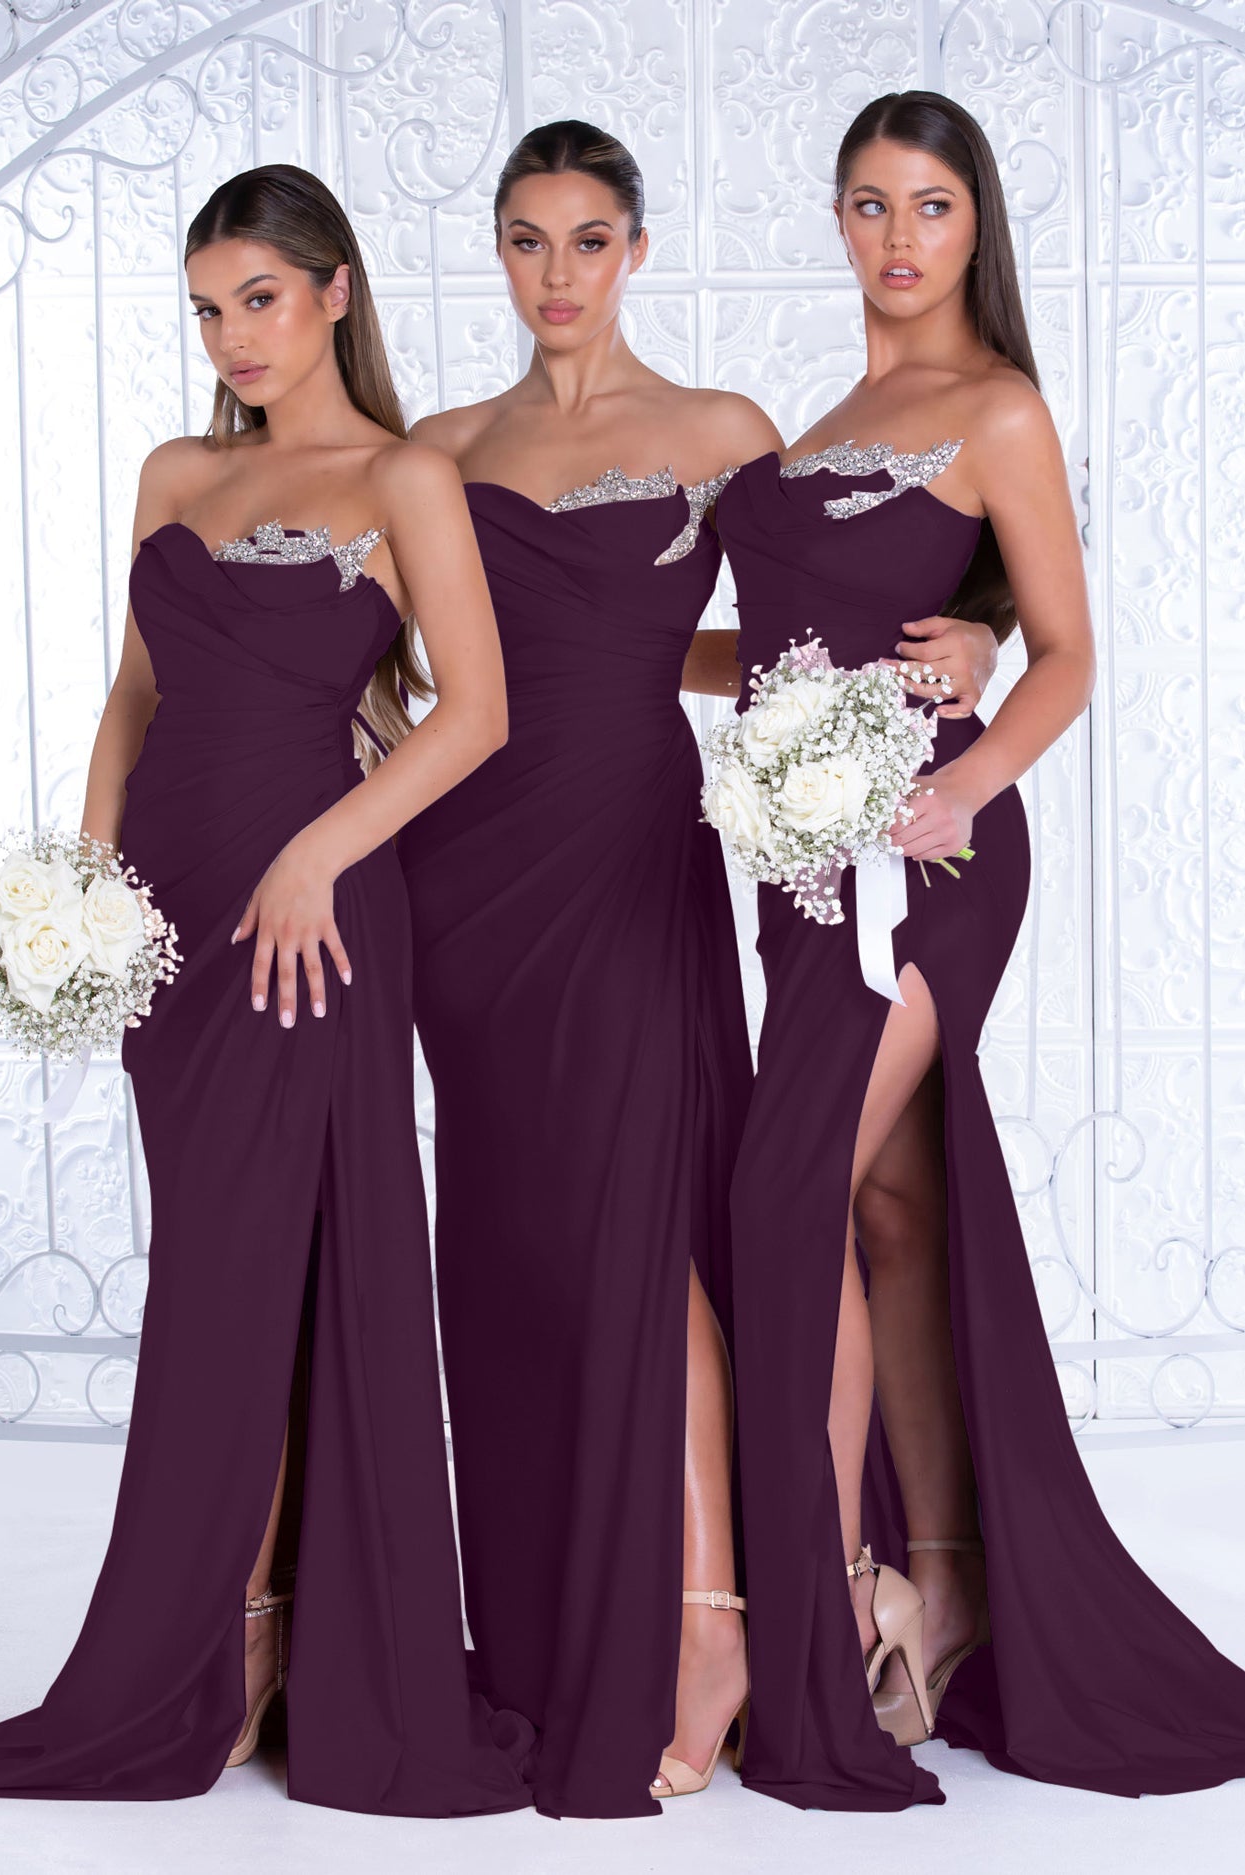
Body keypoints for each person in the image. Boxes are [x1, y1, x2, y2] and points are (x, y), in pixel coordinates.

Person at [399, 117, 996, 1817]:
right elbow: (374, 649)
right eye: (528, 241)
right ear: (496, 252)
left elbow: (818, 605)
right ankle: (575, 1619)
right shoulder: (438, 449)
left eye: (589, 240)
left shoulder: (722, 434)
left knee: (641, 1226)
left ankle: (716, 1618)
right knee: (527, 1238)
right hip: (466, 878)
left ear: (637, 251)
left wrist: (983, 632)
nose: (558, 274)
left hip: (628, 857)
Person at [717, 88, 1245, 1810]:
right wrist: (596, 653)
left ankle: (831, 1603)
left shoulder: (993, 406)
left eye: (928, 206)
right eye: (868, 204)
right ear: (838, 220)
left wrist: (967, 773)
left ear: (973, 225)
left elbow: (1069, 650)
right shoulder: (825, 421)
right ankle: (936, 1594)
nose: (895, 237)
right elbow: (780, 646)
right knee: (884, 1208)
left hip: (928, 857)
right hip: (798, 861)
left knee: (784, 1193)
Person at [0, 163, 529, 1818]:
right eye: (210, 309)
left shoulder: (402, 476)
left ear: (335, 292)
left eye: (262, 299)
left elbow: (477, 713)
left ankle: (231, 1643)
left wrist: (317, 855)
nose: (234, 336)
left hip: (313, 924)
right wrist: (90, 890)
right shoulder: (176, 472)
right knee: (221, 1273)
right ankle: (253, 1626)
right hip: (170, 920)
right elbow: (133, 699)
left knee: (255, 1278)